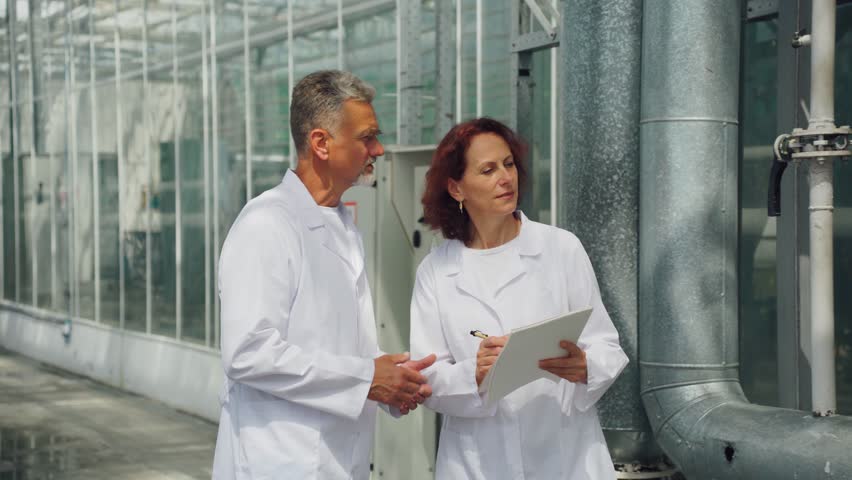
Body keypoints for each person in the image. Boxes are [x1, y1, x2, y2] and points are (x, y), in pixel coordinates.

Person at [212, 70, 435, 480]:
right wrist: (367, 378)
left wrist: (392, 379)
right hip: (278, 460)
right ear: (321, 143)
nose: (379, 150)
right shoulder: (266, 224)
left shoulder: (342, 225)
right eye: (367, 138)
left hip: (338, 456)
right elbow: (247, 353)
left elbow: (338, 348)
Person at [410, 117, 629, 479]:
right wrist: (474, 374)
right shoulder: (436, 272)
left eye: (508, 164)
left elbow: (606, 344)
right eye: (487, 169)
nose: (505, 178)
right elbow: (427, 377)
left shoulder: (561, 249)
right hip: (477, 462)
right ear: (456, 188)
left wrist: (586, 366)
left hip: (564, 455)